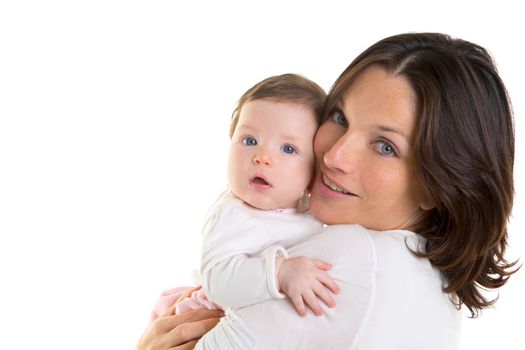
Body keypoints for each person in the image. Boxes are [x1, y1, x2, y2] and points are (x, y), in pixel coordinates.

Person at [136, 32, 517, 350]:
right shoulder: (426, 277)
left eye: (385, 146)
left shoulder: (351, 259)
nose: (335, 155)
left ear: (438, 185)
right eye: (339, 117)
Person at [151, 74, 343, 322]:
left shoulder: (313, 210)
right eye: (250, 141)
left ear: (315, 169)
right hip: (211, 317)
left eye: (288, 148)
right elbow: (218, 279)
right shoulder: (234, 212)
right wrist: (280, 272)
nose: (261, 156)